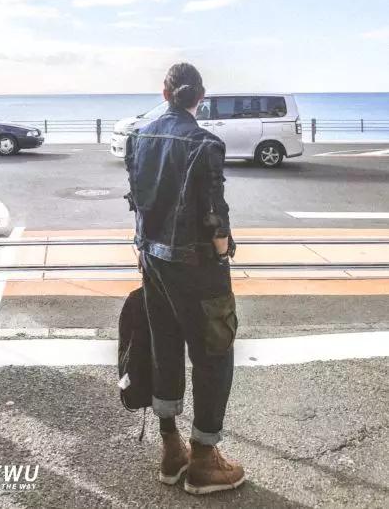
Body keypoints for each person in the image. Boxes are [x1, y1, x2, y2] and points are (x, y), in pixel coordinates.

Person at [125, 62, 245, 495]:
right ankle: (204, 459)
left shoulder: (139, 135)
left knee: (165, 348)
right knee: (215, 352)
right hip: (198, 266)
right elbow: (216, 215)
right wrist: (224, 251)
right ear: (200, 97)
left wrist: (143, 245)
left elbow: (136, 200)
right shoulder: (206, 142)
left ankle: (171, 449)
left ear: (165, 91)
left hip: (153, 261)